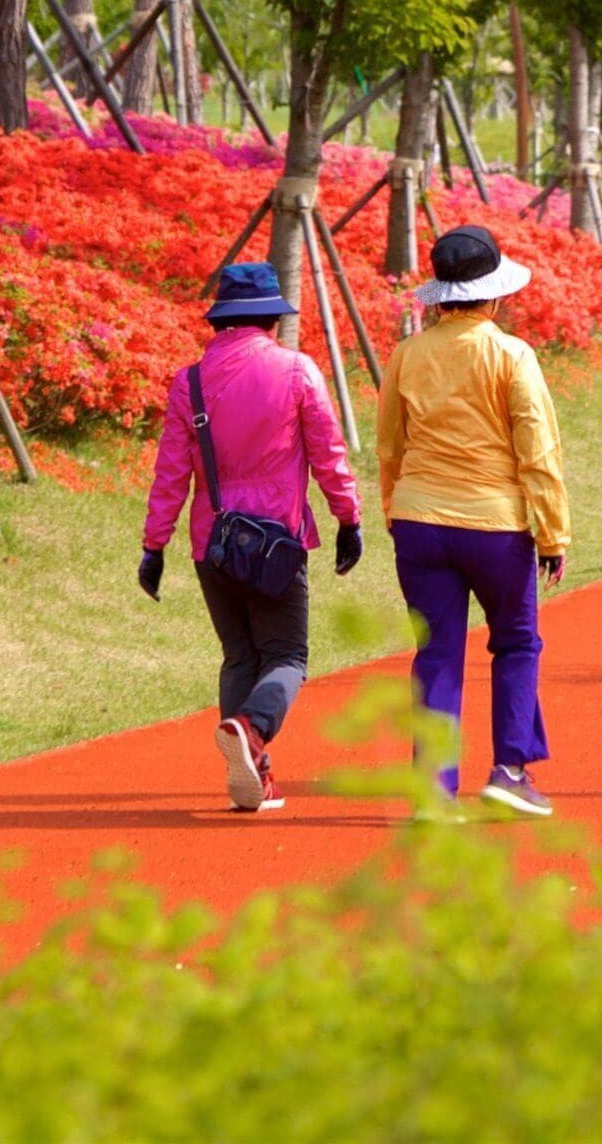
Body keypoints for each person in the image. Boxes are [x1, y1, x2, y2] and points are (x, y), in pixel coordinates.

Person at [139, 262, 362, 813]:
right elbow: (328, 456)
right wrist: (348, 519)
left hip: (211, 542)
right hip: (275, 541)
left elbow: (171, 472)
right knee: (287, 656)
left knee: (239, 654)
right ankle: (252, 727)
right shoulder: (296, 370)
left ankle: (253, 775)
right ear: (271, 318)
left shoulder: (188, 381)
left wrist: (153, 545)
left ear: (221, 321)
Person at [376, 223, 570, 817]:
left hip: (418, 520)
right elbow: (537, 450)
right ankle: (509, 769)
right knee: (515, 642)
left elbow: (389, 445)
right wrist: (552, 530)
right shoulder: (511, 354)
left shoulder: (407, 354)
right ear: (492, 294)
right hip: (495, 524)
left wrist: (394, 512)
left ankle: (434, 789)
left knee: (435, 652)